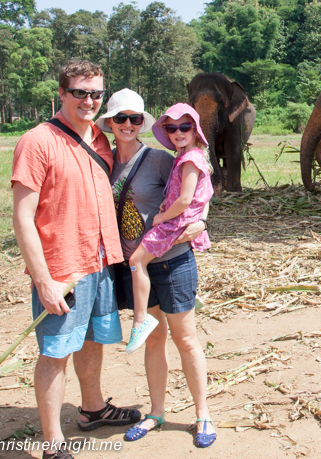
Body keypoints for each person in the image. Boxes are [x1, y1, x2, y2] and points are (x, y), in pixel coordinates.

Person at [12, 60, 141, 459]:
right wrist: (43, 279)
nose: (89, 100)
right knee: (56, 350)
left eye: (96, 93)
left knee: (92, 338)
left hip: (100, 260)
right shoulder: (37, 141)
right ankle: (52, 444)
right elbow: (22, 217)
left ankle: (92, 408)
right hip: (62, 268)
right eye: (80, 92)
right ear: (62, 94)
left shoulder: (101, 138)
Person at [95, 95, 216, 448]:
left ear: (143, 123)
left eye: (135, 118)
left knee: (185, 339)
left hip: (174, 260)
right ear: (110, 124)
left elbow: (198, 192)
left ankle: (202, 414)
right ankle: (156, 412)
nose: (128, 125)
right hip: (136, 268)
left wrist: (203, 220)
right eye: (121, 119)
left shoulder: (162, 160)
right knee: (154, 339)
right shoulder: (102, 162)